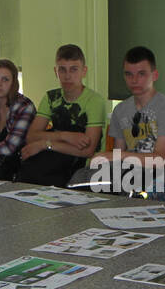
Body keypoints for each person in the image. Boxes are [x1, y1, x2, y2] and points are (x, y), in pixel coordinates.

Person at [17, 44, 106, 187]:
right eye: (62, 70)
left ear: (84, 71)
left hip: (84, 166)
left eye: (74, 69)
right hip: (57, 158)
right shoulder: (51, 97)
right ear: (55, 71)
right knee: (28, 170)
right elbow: (31, 136)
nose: (68, 76)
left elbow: (88, 151)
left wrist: (45, 144)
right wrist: (65, 136)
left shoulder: (94, 101)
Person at [103, 46, 165, 200]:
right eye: (129, 74)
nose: (134, 80)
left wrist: (119, 157)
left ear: (155, 75)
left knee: (137, 196)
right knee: (89, 185)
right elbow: (118, 153)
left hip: (162, 178)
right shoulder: (120, 110)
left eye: (141, 74)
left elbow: (160, 159)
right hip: (129, 173)